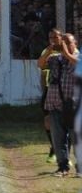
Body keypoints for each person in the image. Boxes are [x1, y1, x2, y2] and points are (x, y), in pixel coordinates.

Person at [42, 33, 78, 176]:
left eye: (68, 42)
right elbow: (41, 64)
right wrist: (50, 50)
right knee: (58, 138)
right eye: (63, 42)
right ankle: (63, 167)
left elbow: (75, 62)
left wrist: (66, 52)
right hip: (55, 103)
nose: (65, 45)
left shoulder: (78, 56)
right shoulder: (56, 58)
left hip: (74, 105)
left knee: (77, 138)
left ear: (75, 43)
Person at [39, 29, 63, 163]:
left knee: (65, 122)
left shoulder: (68, 50)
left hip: (66, 90)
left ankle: (62, 152)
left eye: (55, 37)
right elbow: (41, 67)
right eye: (50, 37)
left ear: (61, 38)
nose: (53, 40)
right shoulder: (47, 51)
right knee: (48, 120)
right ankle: (54, 149)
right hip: (50, 89)